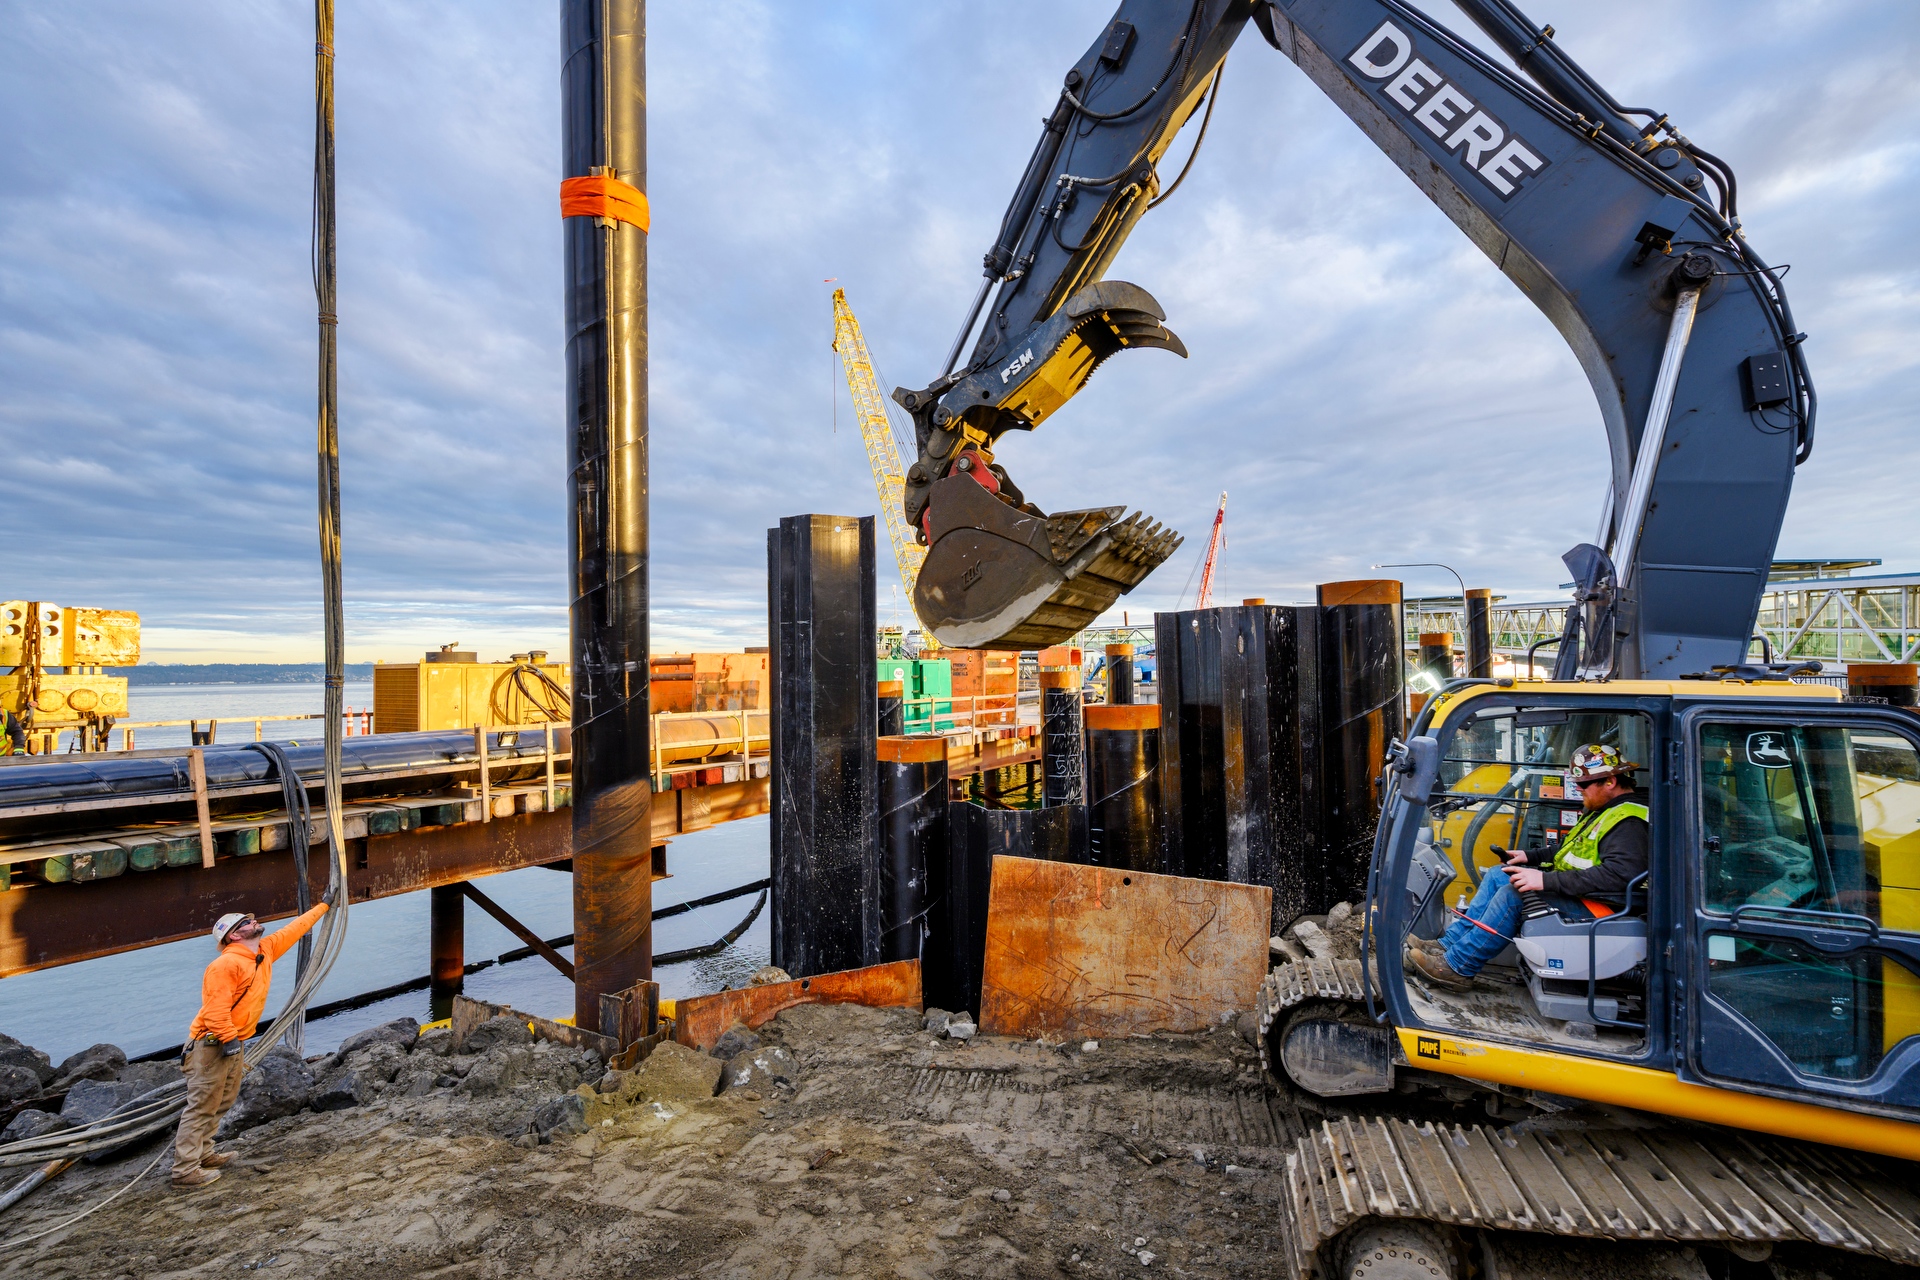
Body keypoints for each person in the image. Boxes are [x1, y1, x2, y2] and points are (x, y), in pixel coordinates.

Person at [1406, 743, 1649, 991]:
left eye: (1584, 784)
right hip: (1583, 893)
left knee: (1513, 896)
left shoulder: (1629, 822)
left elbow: (1619, 875)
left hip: (1605, 908)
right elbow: (1569, 850)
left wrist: (1544, 881)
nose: (1577, 789)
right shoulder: (1606, 810)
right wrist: (1527, 857)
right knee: (1500, 874)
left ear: (1610, 781)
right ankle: (1448, 945)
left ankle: (1457, 967)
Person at [170, 899, 330, 1188]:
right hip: (211, 1046)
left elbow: (295, 929)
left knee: (222, 1102)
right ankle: (184, 1171)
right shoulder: (225, 965)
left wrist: (324, 906)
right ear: (234, 935)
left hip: (233, 1042)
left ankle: (204, 1154)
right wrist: (229, 1039)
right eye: (246, 922)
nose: (253, 922)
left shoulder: (263, 952)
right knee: (202, 1106)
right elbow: (214, 1010)